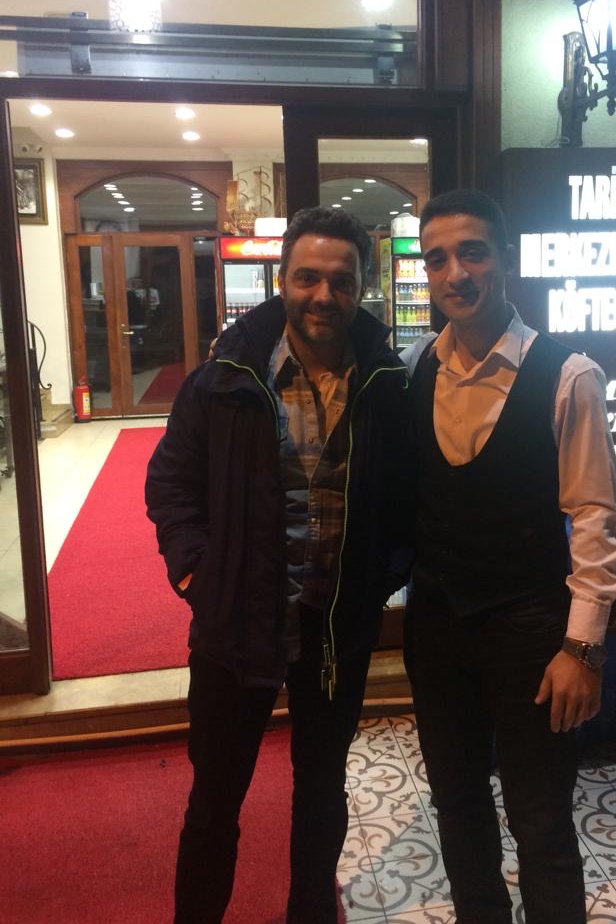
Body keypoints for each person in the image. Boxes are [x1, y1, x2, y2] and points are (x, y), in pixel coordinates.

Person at [145, 206, 413, 924]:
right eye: (307, 278)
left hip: (334, 630)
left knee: (322, 791)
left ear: (362, 288)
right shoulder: (224, 379)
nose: (324, 295)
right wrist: (197, 574)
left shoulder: (387, 385)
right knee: (215, 797)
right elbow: (170, 483)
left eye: (341, 281)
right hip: (236, 620)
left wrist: (376, 581)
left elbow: (407, 501)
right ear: (282, 280)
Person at [401, 189, 616, 924]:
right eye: (438, 258)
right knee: (457, 806)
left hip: (532, 631)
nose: (456, 273)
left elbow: (595, 518)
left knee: (542, 821)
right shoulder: (415, 368)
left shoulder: (568, 374)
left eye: (472, 252)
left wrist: (582, 649)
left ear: (505, 260)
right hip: (437, 628)